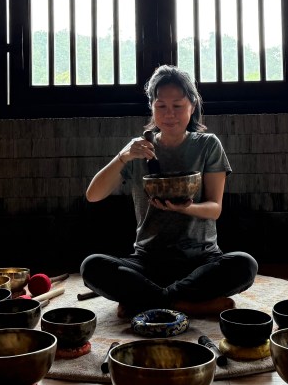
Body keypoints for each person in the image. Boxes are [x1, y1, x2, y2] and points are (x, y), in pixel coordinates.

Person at [80, 64, 258, 317]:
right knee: (92, 266)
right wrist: (123, 156)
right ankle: (184, 303)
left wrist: (187, 207)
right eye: (161, 105)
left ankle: (147, 300)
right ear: (152, 107)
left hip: (200, 258)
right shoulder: (139, 149)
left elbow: (214, 209)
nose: (169, 113)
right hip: (148, 260)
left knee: (244, 265)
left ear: (192, 106)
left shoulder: (208, 145)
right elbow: (93, 195)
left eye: (178, 105)